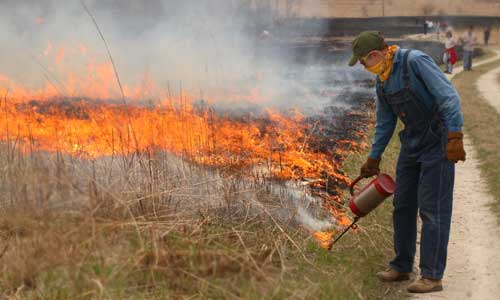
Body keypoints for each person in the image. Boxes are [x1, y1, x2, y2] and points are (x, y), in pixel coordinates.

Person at [348, 31, 466, 294]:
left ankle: (432, 275)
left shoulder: (415, 62)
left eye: (363, 62)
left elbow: (449, 97)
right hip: (412, 142)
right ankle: (401, 265)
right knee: (402, 204)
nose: (364, 68)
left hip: (438, 140)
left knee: (432, 207)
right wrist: (374, 157)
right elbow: (385, 122)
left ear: (375, 55)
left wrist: (455, 135)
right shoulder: (383, 80)